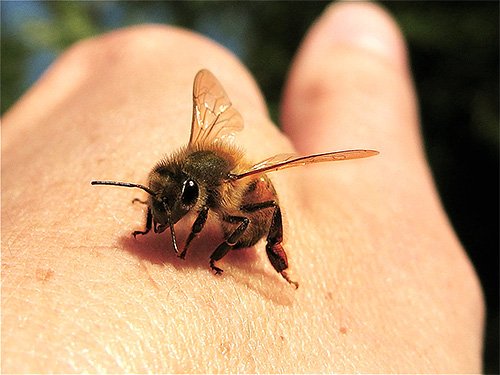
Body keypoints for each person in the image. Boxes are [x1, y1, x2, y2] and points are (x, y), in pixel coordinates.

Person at [2, 2, 484, 372]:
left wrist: (206, 253)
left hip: (251, 206)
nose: (168, 209)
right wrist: (155, 219)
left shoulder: (224, 190)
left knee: (260, 209)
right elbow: (176, 193)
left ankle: (278, 263)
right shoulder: (185, 180)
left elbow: (213, 207)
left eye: (175, 203)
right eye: (161, 200)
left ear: (201, 190)